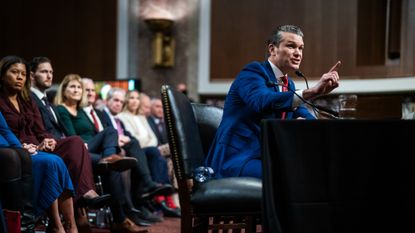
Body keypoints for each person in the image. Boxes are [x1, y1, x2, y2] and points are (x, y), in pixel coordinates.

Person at [206, 25, 341, 179]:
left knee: (316, 169)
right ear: (272, 49)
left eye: (301, 48)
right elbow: (261, 101)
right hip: (237, 158)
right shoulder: (253, 72)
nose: (298, 53)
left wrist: (332, 128)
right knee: (289, 176)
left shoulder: (288, 85)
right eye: (291, 46)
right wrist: (313, 91)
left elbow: (304, 116)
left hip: (266, 157)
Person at [0, 55, 110, 231]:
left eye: (23, 73)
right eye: (14, 72)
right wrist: (23, 147)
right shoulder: (2, 100)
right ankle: (62, 224)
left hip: (38, 144)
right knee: (55, 161)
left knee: (75, 141)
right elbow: (4, 132)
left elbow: (39, 128)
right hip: (18, 149)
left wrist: (47, 140)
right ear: (2, 75)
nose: (20, 77)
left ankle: (79, 208)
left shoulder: (27, 99)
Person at [82, 78, 169, 224]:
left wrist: (125, 139)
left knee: (139, 149)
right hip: (104, 151)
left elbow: (130, 136)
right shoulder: (102, 114)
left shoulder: (117, 119)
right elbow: (103, 134)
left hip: (117, 149)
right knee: (124, 159)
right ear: (107, 101)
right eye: (115, 100)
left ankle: (142, 199)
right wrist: (118, 141)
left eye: (121, 102)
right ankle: (129, 207)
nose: (118, 104)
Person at [118, 91, 180, 217]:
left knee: (158, 155)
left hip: (149, 149)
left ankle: (162, 193)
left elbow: (153, 138)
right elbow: (134, 138)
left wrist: (146, 142)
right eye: (131, 98)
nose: (135, 101)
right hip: (137, 150)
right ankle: (160, 196)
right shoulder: (122, 116)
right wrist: (146, 142)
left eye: (136, 98)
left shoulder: (142, 117)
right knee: (155, 152)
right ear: (126, 101)